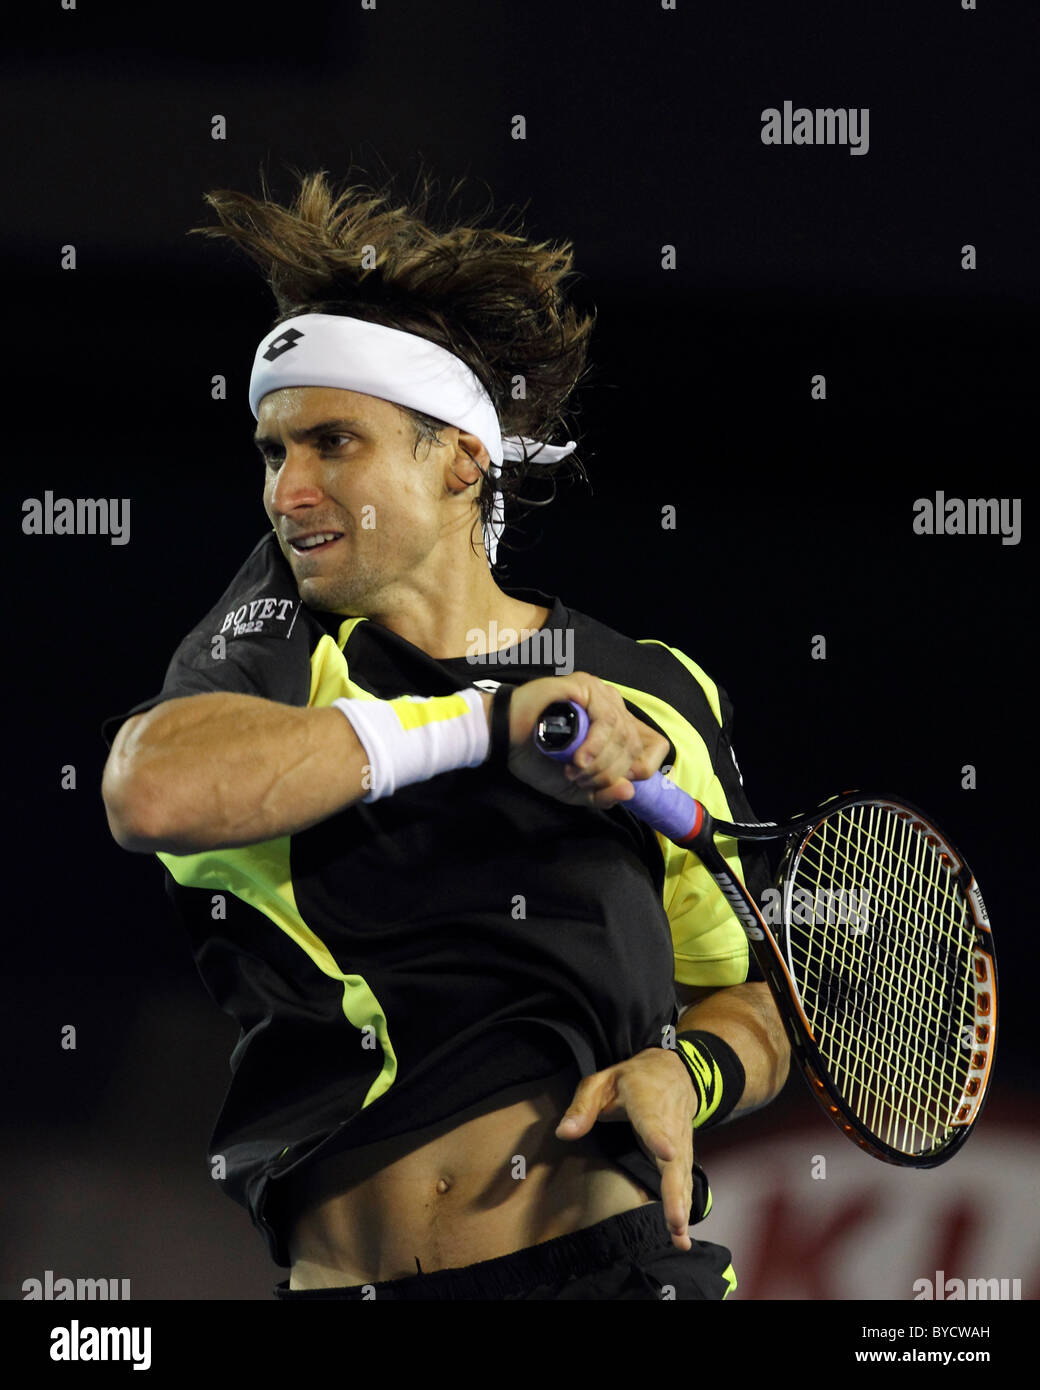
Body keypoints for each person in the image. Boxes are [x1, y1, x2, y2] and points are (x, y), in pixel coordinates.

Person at [100, 168, 790, 1301]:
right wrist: (484, 721)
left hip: (599, 1273)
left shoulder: (647, 691)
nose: (289, 492)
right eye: (274, 453)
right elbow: (154, 790)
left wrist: (689, 1068)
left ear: (461, 457)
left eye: (333, 443)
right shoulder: (274, 651)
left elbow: (754, 990)